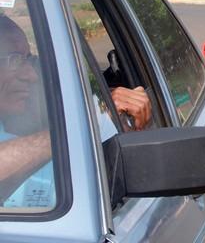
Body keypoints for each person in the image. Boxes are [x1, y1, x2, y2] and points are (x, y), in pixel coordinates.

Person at [0, 14, 152, 208]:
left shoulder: (31, 128)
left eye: (29, 60)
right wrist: (89, 119)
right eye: (15, 61)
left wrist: (115, 123)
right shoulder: (59, 138)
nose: (32, 75)